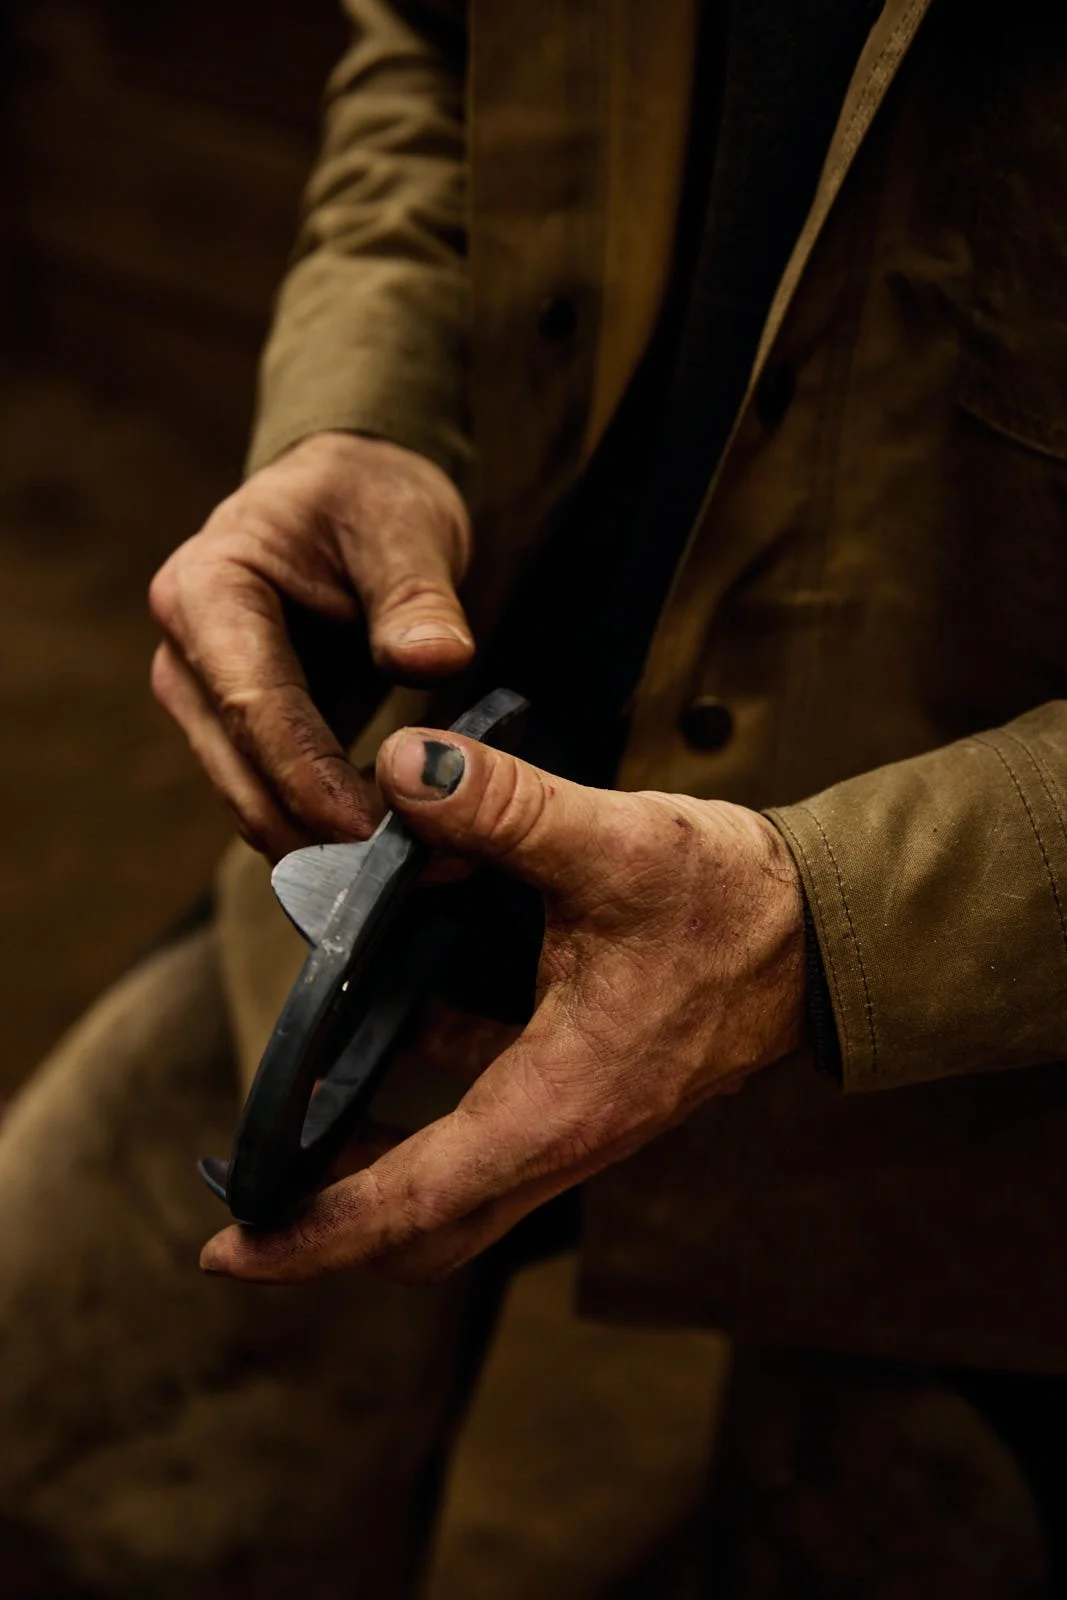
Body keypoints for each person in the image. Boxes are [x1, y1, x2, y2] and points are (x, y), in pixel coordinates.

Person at [3, 0, 1067, 1593]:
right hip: (447, 782)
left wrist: (851, 921)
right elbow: (429, 53)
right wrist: (366, 405)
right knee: (66, 1441)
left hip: (989, 1059)